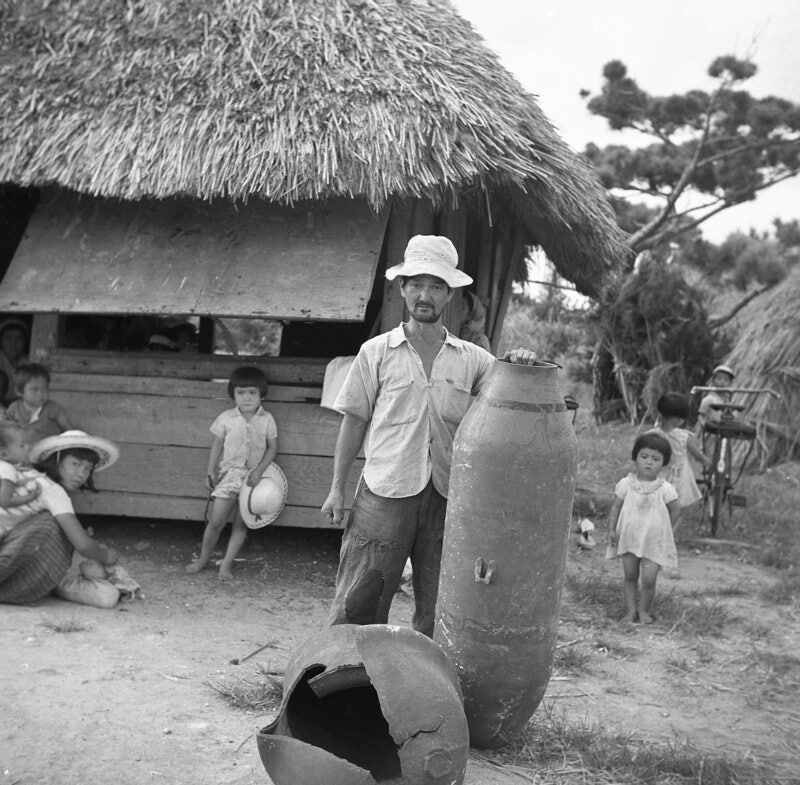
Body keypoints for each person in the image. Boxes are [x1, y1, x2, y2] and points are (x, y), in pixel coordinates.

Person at [321, 234, 536, 637]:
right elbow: (353, 422)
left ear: (450, 294)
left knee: (441, 607)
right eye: (417, 283)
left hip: (448, 496)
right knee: (359, 599)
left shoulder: (473, 360)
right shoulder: (376, 352)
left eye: (436, 285)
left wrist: (520, 363)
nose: (426, 294)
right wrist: (337, 488)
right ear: (401, 288)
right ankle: (343, 680)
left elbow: (512, 394)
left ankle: (426, 689)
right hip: (384, 490)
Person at [0, 430, 122, 607]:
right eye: (75, 463)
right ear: (56, 460)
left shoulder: (22, 474)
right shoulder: (52, 491)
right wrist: (108, 556)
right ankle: (19, 588)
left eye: (87, 468)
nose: (81, 473)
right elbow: (83, 545)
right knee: (54, 526)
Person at [186, 365, 278, 580]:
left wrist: (260, 470)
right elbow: (217, 445)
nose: (246, 398)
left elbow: (272, 447)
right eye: (241, 393)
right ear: (233, 394)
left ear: (261, 394)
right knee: (216, 521)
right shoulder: (226, 418)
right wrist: (210, 470)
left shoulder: (267, 419)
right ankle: (202, 559)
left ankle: (226, 565)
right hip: (229, 477)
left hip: (254, 480)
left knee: (241, 524)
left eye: (252, 393)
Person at [606, 432, 679, 624]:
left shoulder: (665, 489)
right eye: (644, 456)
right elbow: (615, 507)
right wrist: (611, 530)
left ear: (664, 463)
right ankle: (631, 611)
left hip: (653, 541)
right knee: (630, 575)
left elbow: (675, 510)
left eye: (655, 459)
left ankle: (644, 610)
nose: (649, 462)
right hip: (629, 538)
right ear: (635, 457)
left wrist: (665, 531)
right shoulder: (626, 484)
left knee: (648, 579)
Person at [649, 392, 709, 510]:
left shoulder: (651, 435)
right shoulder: (684, 437)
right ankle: (669, 528)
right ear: (679, 419)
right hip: (679, 479)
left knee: (656, 508)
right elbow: (698, 456)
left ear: (660, 413)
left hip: (657, 477)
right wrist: (709, 463)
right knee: (677, 510)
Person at [5, 363, 75, 441]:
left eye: (45, 389)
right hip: (23, 450)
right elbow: (6, 430)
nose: (41, 394)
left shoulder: (54, 409)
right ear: (19, 391)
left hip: (50, 449)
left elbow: (71, 431)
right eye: (35, 390)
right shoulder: (14, 408)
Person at [0, 422, 42, 527]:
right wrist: (30, 497)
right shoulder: (8, 469)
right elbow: (5, 501)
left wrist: (22, 481)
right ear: (4, 454)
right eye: (21, 446)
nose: (27, 448)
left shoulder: (4, 467)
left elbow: (5, 484)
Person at [0, 319, 29, 405]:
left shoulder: (28, 361)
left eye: (19, 339)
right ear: (1, 341)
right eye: (8, 338)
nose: (13, 343)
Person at [696, 364, 735, 429]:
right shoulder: (709, 399)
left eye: (726, 380)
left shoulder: (729, 400)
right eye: (719, 379)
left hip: (725, 429)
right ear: (713, 380)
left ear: (730, 383)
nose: (722, 382)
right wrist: (706, 426)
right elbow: (701, 416)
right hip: (712, 430)